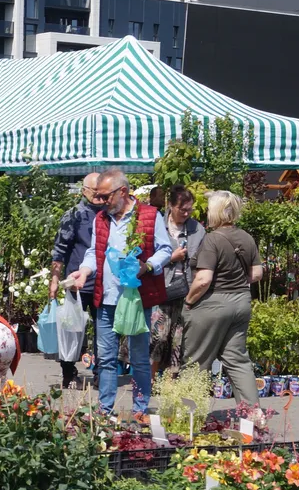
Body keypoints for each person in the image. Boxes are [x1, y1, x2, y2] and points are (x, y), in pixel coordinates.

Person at [69, 169, 171, 420]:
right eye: (98, 196)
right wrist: (84, 271)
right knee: (105, 358)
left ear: (122, 192)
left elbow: (165, 248)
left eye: (105, 196)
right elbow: (94, 252)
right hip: (106, 298)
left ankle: (139, 409)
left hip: (137, 299)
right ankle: (105, 411)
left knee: (138, 358)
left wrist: (147, 266)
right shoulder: (101, 219)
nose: (101, 202)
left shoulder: (150, 215)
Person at [182, 191, 263, 408]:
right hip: (241, 303)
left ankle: (188, 419)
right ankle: (253, 416)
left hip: (212, 305)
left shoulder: (212, 239)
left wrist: (188, 302)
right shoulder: (247, 237)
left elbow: (203, 280)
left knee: (195, 363)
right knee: (238, 361)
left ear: (215, 212)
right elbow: (256, 274)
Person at [49, 172, 101, 388]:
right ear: (84, 191)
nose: (99, 195)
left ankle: (100, 374)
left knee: (103, 331)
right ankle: (69, 373)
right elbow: (59, 250)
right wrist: (54, 279)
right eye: (95, 191)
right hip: (77, 283)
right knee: (72, 329)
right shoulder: (74, 215)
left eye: (102, 191)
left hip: (103, 284)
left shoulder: (110, 214)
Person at [150, 185, 204, 380]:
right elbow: (147, 256)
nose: (186, 213)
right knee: (158, 336)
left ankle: (171, 382)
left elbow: (203, 259)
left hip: (185, 290)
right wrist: (171, 257)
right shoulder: (158, 225)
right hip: (160, 287)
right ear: (171, 206)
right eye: (182, 209)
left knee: (178, 338)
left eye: (189, 209)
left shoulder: (197, 229)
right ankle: (149, 379)